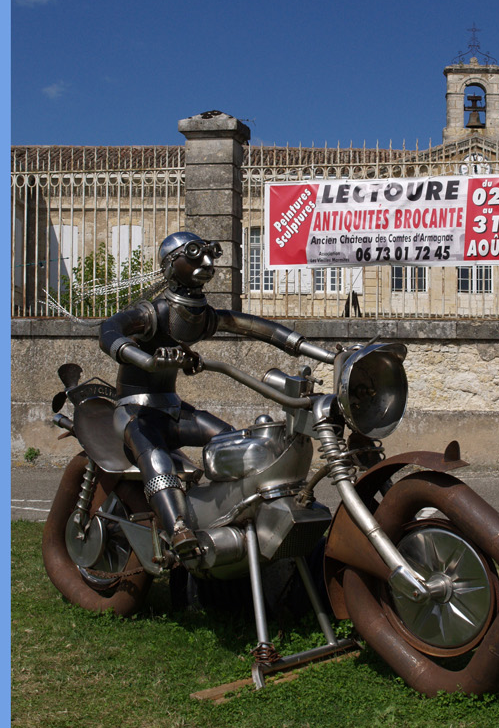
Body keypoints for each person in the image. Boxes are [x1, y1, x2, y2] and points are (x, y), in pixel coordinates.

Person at [99, 231, 337, 561]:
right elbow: (108, 331)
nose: (208, 263)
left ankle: (230, 516)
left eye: (210, 255)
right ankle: (178, 530)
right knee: (157, 460)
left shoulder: (201, 315)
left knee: (231, 443)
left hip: (173, 411)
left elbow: (261, 329)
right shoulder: (151, 313)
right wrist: (146, 360)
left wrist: (329, 355)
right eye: (195, 255)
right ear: (171, 264)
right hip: (134, 413)